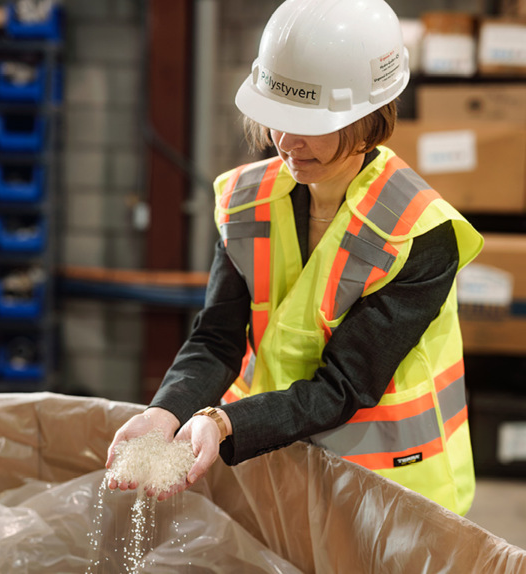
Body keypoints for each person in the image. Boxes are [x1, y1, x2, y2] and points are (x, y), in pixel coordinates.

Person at [107, 0, 483, 516]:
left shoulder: (419, 232)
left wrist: (223, 423)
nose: (284, 141)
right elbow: (217, 339)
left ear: (370, 116)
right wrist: (166, 411)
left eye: (308, 121)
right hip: (284, 463)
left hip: (393, 495)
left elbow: (343, 385)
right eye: (275, 117)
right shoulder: (246, 202)